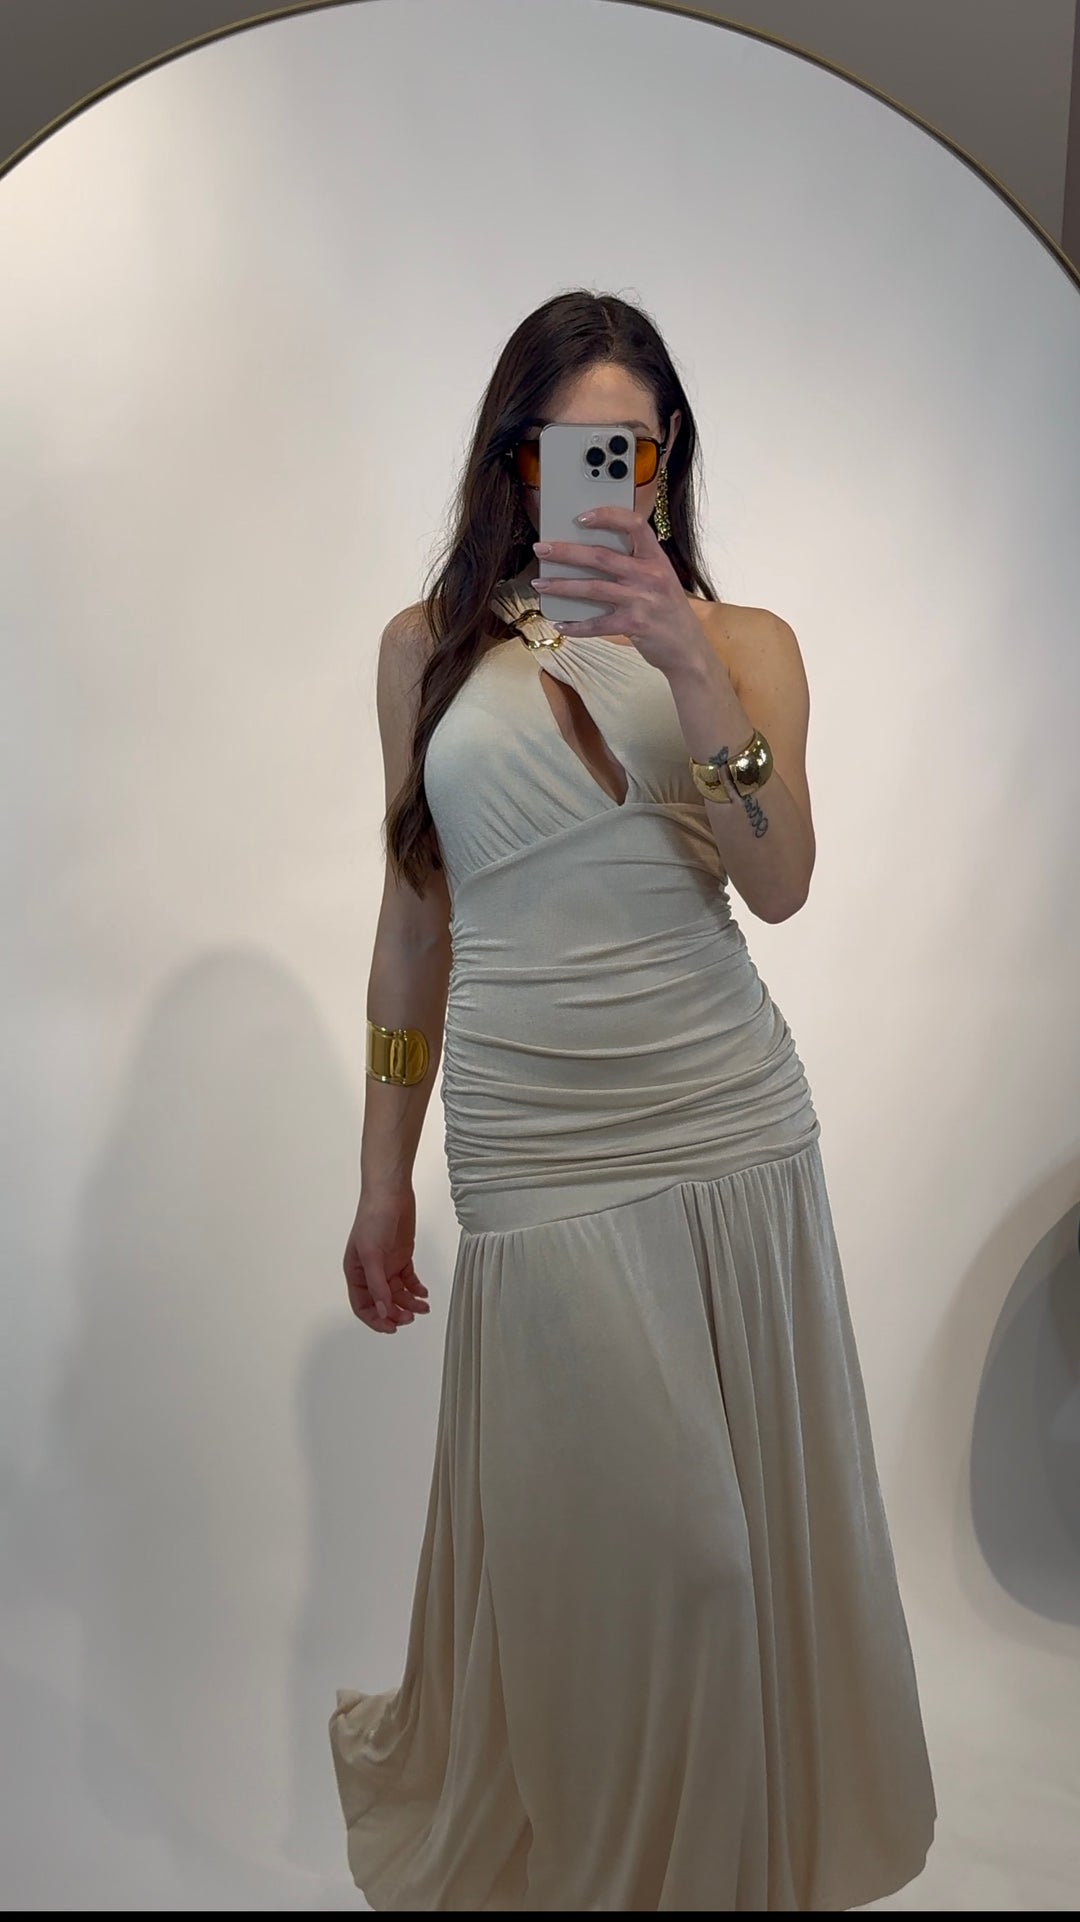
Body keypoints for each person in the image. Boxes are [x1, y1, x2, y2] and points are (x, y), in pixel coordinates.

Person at [328, 289, 936, 1911]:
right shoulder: (423, 651)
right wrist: (381, 1176)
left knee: (732, 1568)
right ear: (514, 462)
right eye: (572, 450)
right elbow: (411, 927)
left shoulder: (747, 646)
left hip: (729, 1122)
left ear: (669, 460)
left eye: (637, 451)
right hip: (535, 1145)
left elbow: (782, 883)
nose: (611, 480)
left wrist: (684, 661)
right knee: (669, 1564)